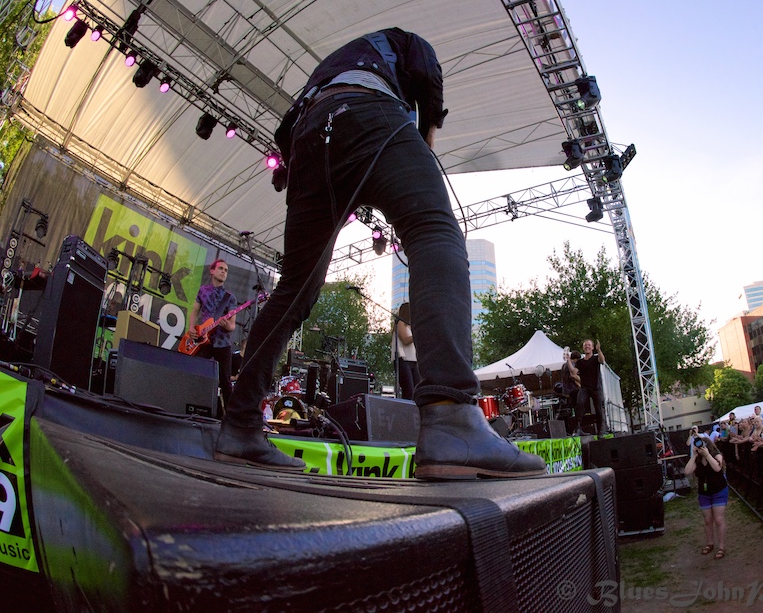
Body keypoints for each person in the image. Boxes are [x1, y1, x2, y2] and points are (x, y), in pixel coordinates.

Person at [217, 28, 544, 478]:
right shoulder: (403, 41)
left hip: (309, 136)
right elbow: (428, 70)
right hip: (368, 113)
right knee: (434, 232)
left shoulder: (337, 63)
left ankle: (239, 426)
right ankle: (451, 419)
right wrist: (426, 135)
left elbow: (286, 127)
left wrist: (293, 168)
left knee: (294, 286)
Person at [188, 259, 236, 411]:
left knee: (225, 381)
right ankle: (190, 403)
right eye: (221, 268)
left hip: (222, 343)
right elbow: (195, 311)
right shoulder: (203, 291)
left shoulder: (230, 297)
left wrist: (226, 325)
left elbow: (232, 325)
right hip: (203, 340)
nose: (223, 272)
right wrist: (191, 328)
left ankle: (229, 415)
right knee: (193, 370)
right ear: (212, 270)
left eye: (226, 270)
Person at [684, 434, 727, 560]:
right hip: (704, 493)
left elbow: (717, 468)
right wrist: (694, 455)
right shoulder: (697, 459)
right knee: (708, 520)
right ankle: (710, 543)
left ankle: (722, 546)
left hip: (719, 491)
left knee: (718, 520)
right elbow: (687, 471)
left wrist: (707, 455)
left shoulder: (716, 455)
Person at [574, 338, 606, 436]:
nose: (587, 346)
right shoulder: (580, 362)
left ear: (592, 347)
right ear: (583, 348)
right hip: (585, 388)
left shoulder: (595, 358)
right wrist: (568, 361)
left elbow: (602, 360)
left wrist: (599, 350)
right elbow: (573, 373)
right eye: (585, 345)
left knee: (598, 409)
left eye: (589, 345)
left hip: (596, 387)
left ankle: (600, 430)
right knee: (579, 403)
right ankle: (578, 428)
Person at [393, 302, 420, 400]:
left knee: (417, 390)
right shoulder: (400, 323)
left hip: (414, 360)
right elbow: (405, 340)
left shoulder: (410, 327)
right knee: (409, 391)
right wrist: (417, 334)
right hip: (403, 359)